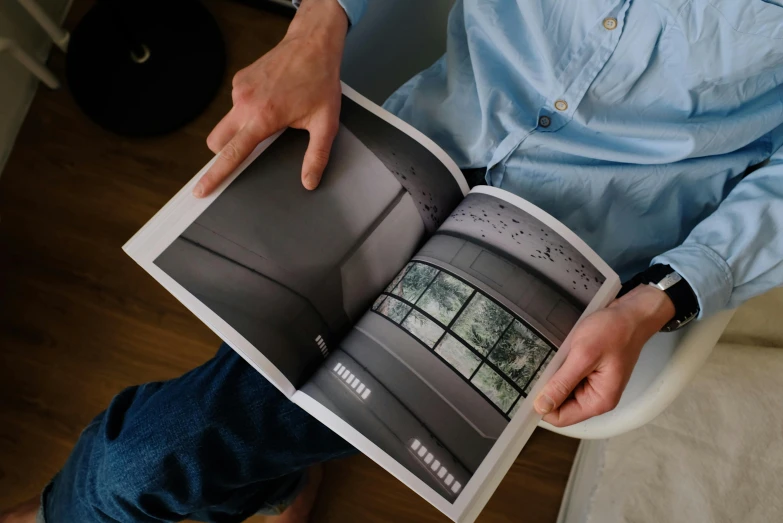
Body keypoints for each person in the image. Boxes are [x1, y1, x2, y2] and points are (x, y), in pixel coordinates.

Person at [4, 0, 783, 521]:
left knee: (137, 465)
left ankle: (116, 499)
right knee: (273, 343)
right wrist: (313, 29)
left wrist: (661, 299)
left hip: (582, 248)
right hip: (423, 135)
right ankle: (268, 473)